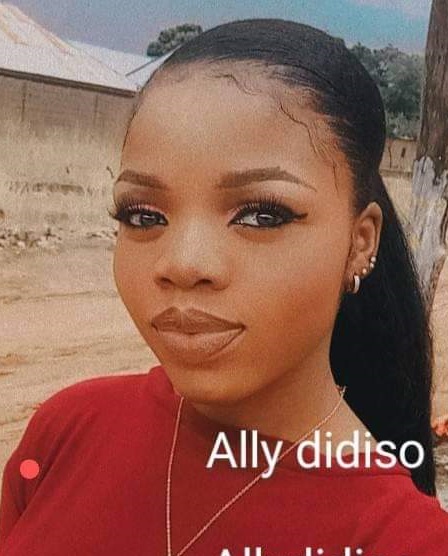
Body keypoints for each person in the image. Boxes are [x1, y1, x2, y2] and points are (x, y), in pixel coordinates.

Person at [1, 18, 448, 556]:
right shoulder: (66, 432)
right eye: (143, 215)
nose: (183, 264)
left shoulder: (404, 540)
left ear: (360, 241)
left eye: (261, 215)